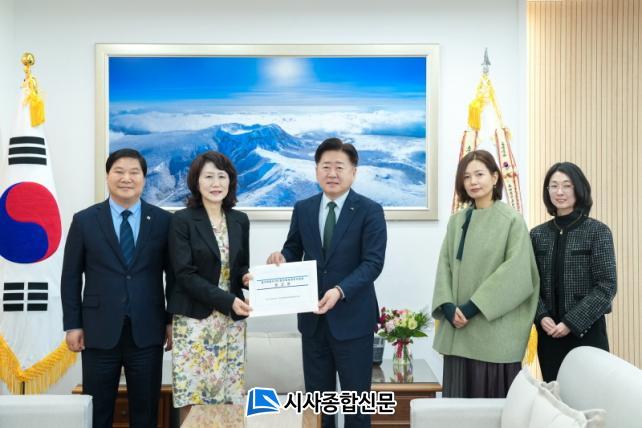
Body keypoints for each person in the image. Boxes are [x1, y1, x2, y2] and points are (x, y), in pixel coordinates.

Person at [267, 137, 387, 428]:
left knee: (356, 406)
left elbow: (373, 263)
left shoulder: (370, 210)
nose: (332, 173)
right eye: (326, 166)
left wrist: (339, 291)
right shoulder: (304, 208)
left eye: (339, 167)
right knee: (319, 406)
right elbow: (294, 248)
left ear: (353, 172)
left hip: (353, 321)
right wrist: (281, 257)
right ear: (316, 170)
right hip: (313, 320)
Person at [61, 148, 173, 428]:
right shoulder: (85, 220)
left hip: (147, 331)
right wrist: (73, 324)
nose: (126, 178)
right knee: (97, 412)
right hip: (98, 330)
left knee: (145, 413)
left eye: (134, 172)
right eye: (119, 171)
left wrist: (171, 321)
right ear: (108, 176)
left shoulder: (163, 221)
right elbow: (71, 277)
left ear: (144, 178)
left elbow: (173, 276)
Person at [431, 149, 539, 398]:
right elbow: (445, 265)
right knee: (458, 409)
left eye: (479, 174)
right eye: (466, 177)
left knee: (490, 410)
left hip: (493, 333)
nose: (473, 181)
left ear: (495, 177)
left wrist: (471, 308)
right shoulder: (457, 221)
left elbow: (517, 273)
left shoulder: (511, 220)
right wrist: (448, 307)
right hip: (458, 330)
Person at [167, 151, 251, 423]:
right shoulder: (182, 220)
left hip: (232, 321)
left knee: (230, 392)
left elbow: (239, 267)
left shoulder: (240, 220)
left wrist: (247, 278)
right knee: (194, 393)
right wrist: (227, 300)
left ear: (230, 181)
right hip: (195, 320)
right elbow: (184, 275)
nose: (216, 183)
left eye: (222, 176)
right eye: (209, 177)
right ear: (197, 181)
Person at [530, 162, 616, 382]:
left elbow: (607, 286)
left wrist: (571, 322)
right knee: (555, 394)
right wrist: (541, 316)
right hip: (549, 334)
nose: (559, 192)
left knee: (591, 394)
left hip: (587, 332)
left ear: (579, 189)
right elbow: (529, 284)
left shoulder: (598, 231)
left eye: (567, 185)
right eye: (553, 186)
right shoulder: (537, 235)